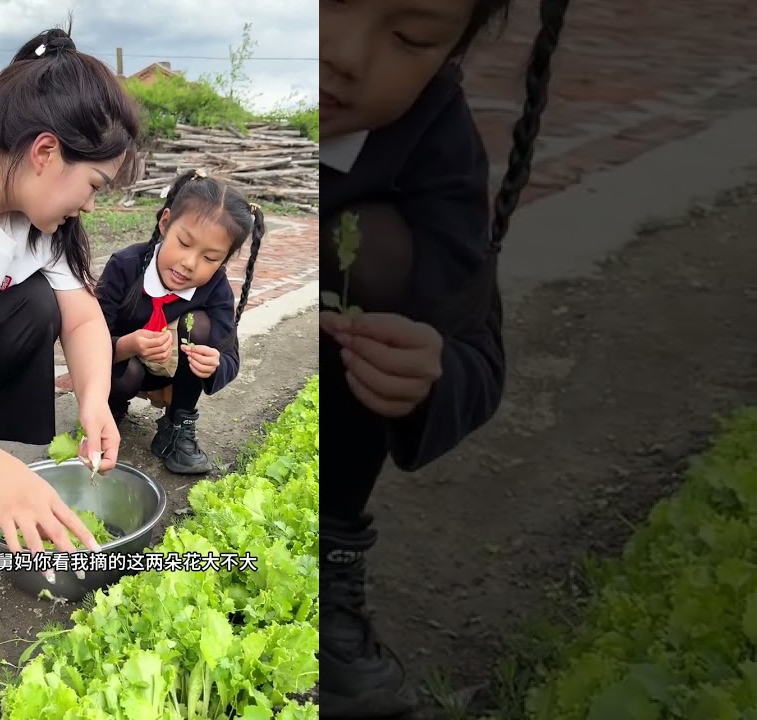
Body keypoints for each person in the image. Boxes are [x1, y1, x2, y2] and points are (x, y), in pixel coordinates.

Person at [319, 0, 572, 715]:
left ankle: (327, 551)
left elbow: (476, 352)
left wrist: (429, 373)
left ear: (451, 51)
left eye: (410, 37)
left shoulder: (433, 138)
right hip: (201, 343)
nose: (345, 52)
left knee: (371, 244)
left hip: (330, 374)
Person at [0, 26, 143, 587]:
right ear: (45, 151)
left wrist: (95, 402)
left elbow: (83, 314)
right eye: (93, 184)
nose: (90, 205)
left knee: (36, 303)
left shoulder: (29, 203)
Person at [95, 170, 265, 475]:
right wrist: (127, 345)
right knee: (125, 373)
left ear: (224, 260)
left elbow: (230, 357)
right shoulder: (125, 266)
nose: (190, 263)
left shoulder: (216, 288)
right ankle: (109, 408)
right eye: (184, 243)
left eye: (211, 258)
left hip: (172, 377)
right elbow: (88, 341)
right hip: (120, 369)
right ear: (165, 224)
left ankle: (178, 424)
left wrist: (214, 364)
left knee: (197, 324)